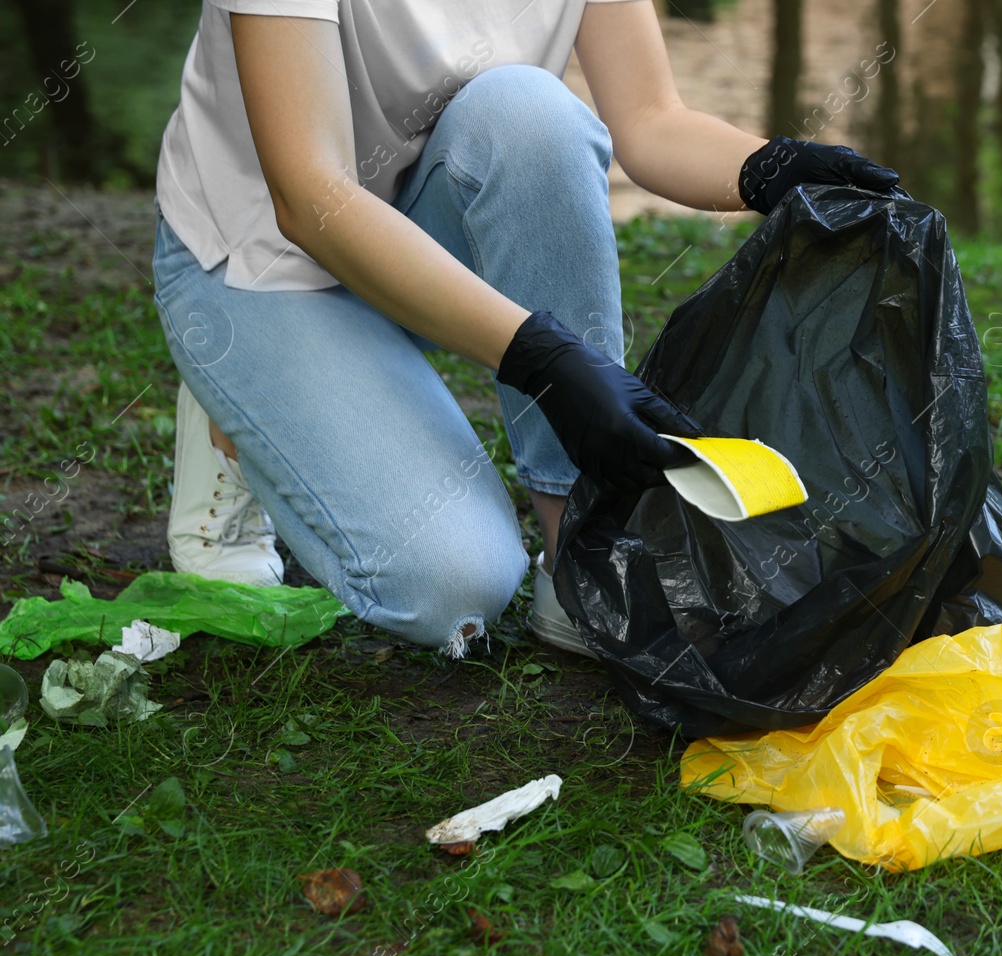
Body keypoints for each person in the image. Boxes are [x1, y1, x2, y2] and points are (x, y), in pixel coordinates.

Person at [152, 0, 897, 658]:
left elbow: (649, 120)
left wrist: (771, 166)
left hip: (412, 218)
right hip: (258, 259)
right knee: (454, 588)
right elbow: (307, 193)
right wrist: (542, 357)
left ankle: (576, 557)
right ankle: (239, 402)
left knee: (531, 114)